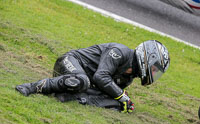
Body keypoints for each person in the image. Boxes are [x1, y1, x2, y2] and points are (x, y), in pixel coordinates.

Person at [16, 40, 170, 113]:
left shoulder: (128, 78)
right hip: (69, 62)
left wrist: (123, 101)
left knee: (116, 103)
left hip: (83, 81)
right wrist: (122, 96)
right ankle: (30, 87)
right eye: (155, 68)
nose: (155, 73)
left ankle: (65, 97)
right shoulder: (120, 51)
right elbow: (100, 78)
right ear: (147, 58)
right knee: (81, 81)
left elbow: (103, 91)